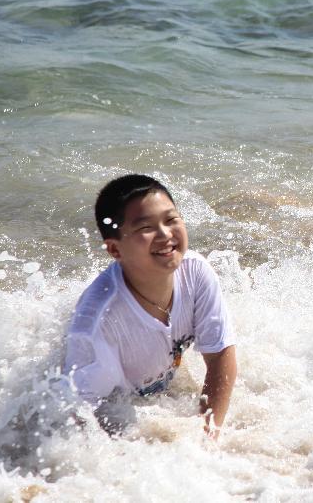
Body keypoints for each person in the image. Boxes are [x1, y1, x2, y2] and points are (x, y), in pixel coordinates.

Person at [63, 174, 237, 435]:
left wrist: (207, 434)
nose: (165, 234)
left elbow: (220, 355)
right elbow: (76, 415)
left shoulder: (196, 273)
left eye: (171, 220)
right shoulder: (98, 322)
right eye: (146, 228)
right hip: (112, 405)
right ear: (115, 250)